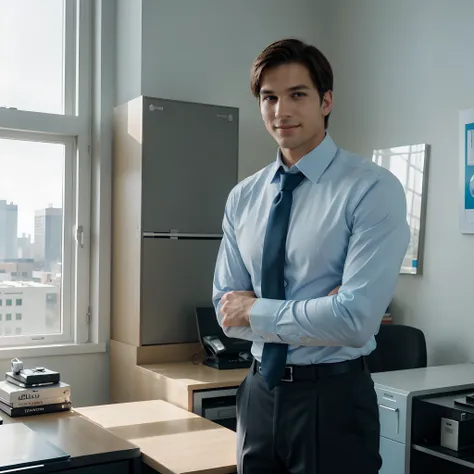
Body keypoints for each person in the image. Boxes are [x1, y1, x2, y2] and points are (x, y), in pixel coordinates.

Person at [212, 38, 410, 474]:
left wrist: (258, 310)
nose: (281, 111)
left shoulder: (372, 189)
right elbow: (226, 314)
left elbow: (355, 321)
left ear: (326, 101)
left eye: (297, 95)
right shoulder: (243, 197)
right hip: (258, 393)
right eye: (269, 97)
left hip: (333, 399)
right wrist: (320, 313)